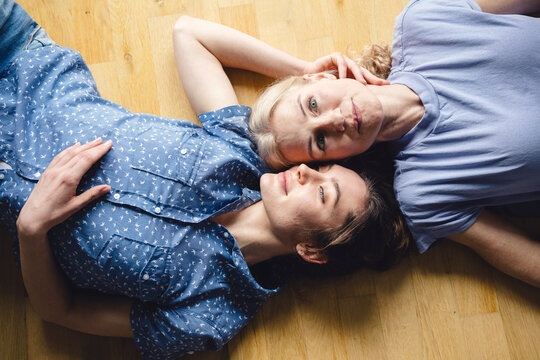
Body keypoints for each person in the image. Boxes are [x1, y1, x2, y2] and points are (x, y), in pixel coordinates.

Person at [0, 1, 409, 359]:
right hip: (22, 58)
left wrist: (32, 230)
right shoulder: (243, 149)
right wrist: (305, 73)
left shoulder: (209, 313)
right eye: (319, 168)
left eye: (323, 193)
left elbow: (62, 312)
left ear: (312, 251)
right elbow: (190, 34)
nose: (302, 171)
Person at [244, 0, 540, 287]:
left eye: (312, 104)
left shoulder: (424, 22)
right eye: (320, 141)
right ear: (340, 162)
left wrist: (301, 66)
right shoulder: (424, 193)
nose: (334, 121)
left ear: (321, 77)